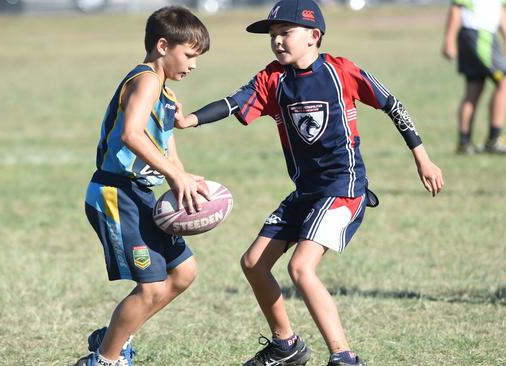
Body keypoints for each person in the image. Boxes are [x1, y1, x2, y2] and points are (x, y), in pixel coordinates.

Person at [174, 1, 444, 365]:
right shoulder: (272, 79)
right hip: (306, 192)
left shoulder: (341, 71)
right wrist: (191, 119)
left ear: (314, 36)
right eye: (273, 36)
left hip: (343, 188)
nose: (277, 42)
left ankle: (344, 356)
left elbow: (393, 104)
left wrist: (422, 157)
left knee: (300, 268)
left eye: (285, 33)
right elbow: (233, 103)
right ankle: (286, 345)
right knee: (253, 263)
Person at [76, 6, 211, 366]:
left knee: (183, 272)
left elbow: (168, 150)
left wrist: (185, 180)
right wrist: (174, 175)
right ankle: (104, 359)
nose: (193, 65)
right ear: (163, 45)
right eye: (189, 55)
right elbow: (131, 134)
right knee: (151, 287)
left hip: (140, 194)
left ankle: (114, 336)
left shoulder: (165, 96)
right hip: (116, 193)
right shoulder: (146, 80)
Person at [442, 0, 506, 154]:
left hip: (486, 35)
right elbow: (457, 8)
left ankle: (464, 142)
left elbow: (499, 8)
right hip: (476, 33)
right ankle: (494, 140)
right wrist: (449, 40)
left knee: (475, 87)